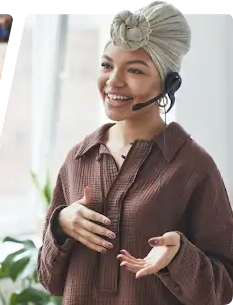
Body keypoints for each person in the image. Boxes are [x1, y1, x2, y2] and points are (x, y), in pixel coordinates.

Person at [37, 3, 233, 305]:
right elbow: (49, 281)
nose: (114, 81)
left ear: (169, 83)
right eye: (107, 65)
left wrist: (180, 256)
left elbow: (225, 292)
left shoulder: (193, 166)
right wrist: (61, 226)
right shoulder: (78, 158)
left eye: (135, 70)